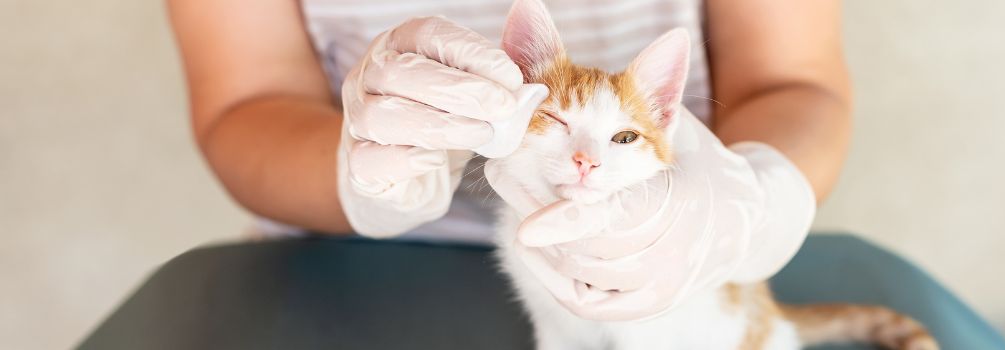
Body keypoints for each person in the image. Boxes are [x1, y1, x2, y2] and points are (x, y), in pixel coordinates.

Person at [167, 0, 849, 320]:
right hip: (345, 268)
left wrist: (754, 204)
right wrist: (357, 164)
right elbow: (244, 102)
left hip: (671, 234)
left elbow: (790, 81)